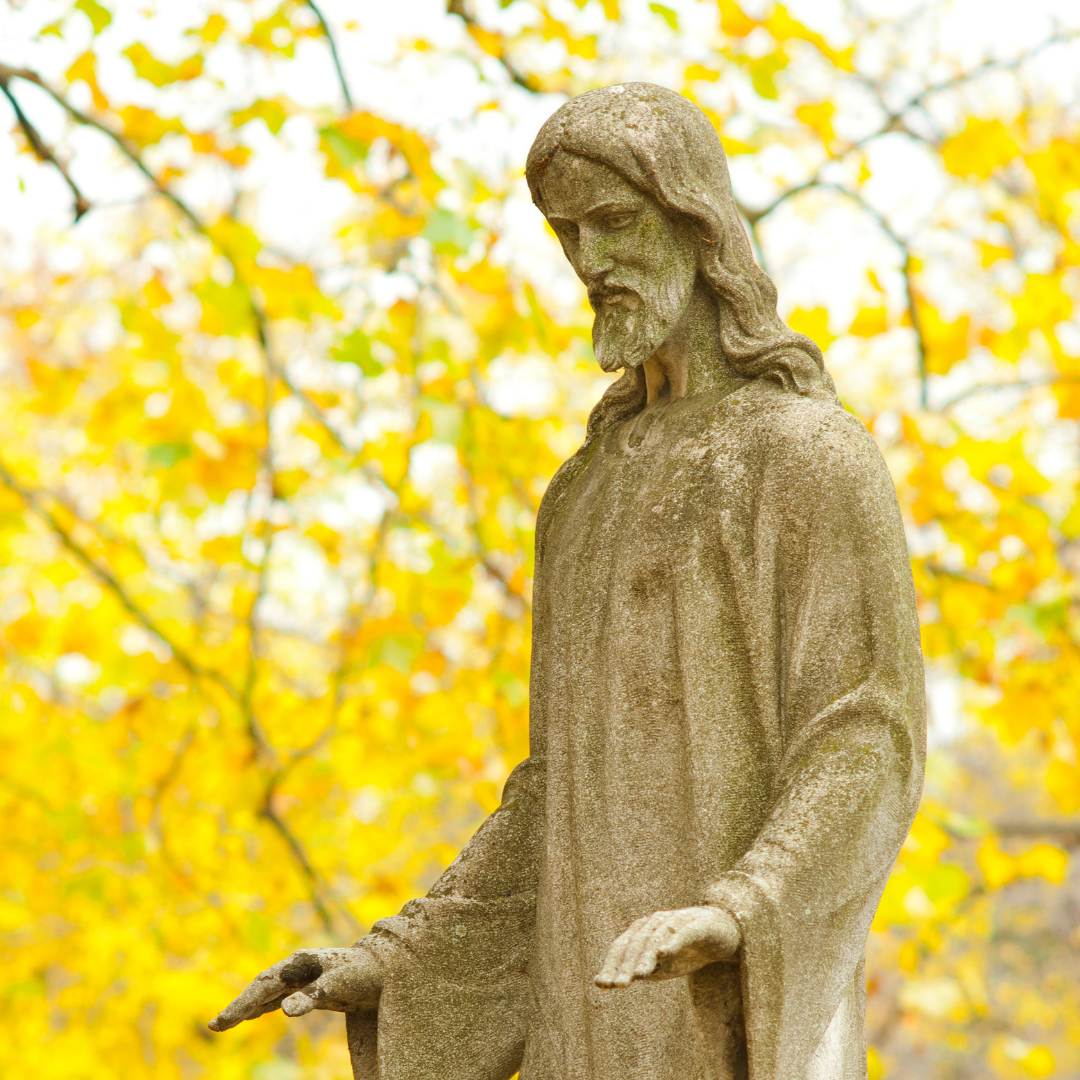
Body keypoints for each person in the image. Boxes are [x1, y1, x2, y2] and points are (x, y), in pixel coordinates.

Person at [209, 82, 925, 1080]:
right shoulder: (582, 493)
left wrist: (740, 907)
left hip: (722, 1024)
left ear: (696, 220)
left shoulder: (804, 458)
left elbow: (865, 739)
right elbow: (554, 798)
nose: (591, 263)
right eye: (566, 234)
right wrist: (393, 957)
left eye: (616, 223)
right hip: (581, 1029)